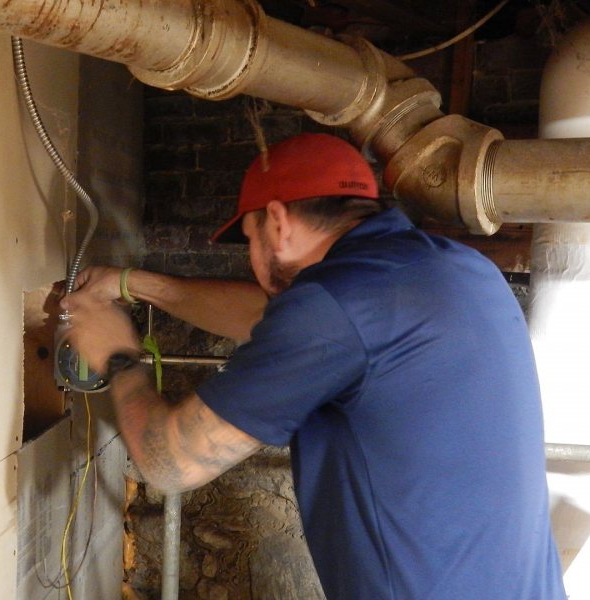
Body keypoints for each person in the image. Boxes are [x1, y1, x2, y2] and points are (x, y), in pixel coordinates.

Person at [60, 133, 565, 599]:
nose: (253, 256)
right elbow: (272, 321)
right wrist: (134, 285)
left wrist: (116, 354)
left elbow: (169, 461)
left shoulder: (332, 310)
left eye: (251, 240)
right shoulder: (452, 269)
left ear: (276, 222)